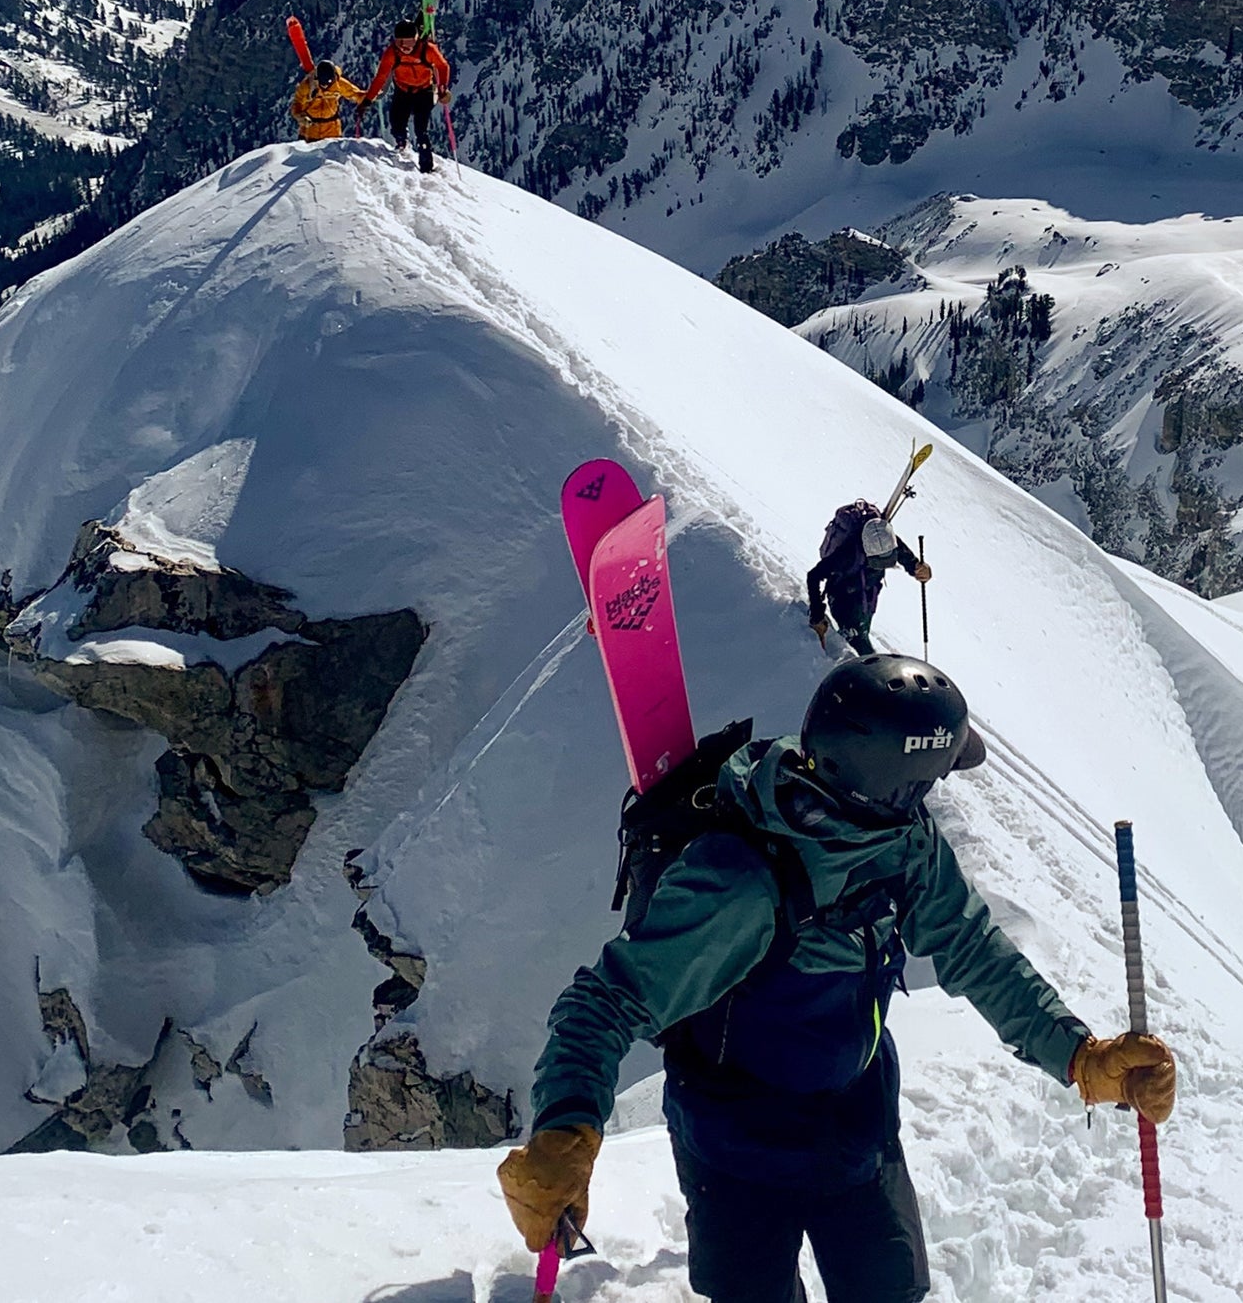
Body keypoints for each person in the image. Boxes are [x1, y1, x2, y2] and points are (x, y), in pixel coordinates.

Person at [499, 655, 1178, 1303]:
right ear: (895, 786)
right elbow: (605, 1002)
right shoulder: (740, 886)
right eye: (931, 779)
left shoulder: (901, 840)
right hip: (736, 1147)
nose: (933, 795)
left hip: (855, 1124)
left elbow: (970, 945)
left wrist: (1078, 1056)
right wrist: (566, 1129)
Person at [807, 505, 927, 655]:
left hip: (867, 597)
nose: (882, 565)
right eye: (878, 562)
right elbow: (813, 576)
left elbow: (902, 554)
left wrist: (917, 568)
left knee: (861, 633)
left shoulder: (886, 540)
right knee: (858, 640)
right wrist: (817, 615)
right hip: (843, 598)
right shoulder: (847, 554)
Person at [360, 20, 452, 173]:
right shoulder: (392, 53)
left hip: (424, 91)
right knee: (396, 123)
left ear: (416, 39)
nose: (404, 46)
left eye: (408, 42)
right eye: (400, 42)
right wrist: (368, 99)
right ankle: (402, 141)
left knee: (421, 129)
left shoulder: (427, 49)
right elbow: (381, 77)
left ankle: (426, 167)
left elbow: (443, 66)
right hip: (402, 91)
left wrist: (442, 88)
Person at [290, 60, 364, 142]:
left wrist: (369, 97)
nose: (325, 86)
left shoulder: (339, 84)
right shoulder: (307, 86)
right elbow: (297, 103)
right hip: (310, 131)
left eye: (329, 83)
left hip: (332, 132)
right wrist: (301, 117)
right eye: (322, 83)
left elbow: (356, 94)